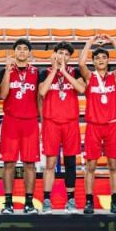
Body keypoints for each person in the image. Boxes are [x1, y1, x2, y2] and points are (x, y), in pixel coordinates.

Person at [80, 34, 116, 215]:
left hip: (111, 126)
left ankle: (115, 202)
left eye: (103, 58)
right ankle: (88, 201)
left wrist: (115, 42)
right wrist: (89, 42)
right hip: (93, 126)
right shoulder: (89, 77)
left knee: (113, 166)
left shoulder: (115, 77)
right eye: (97, 58)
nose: (100, 60)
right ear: (94, 61)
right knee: (90, 167)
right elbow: (81, 64)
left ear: (108, 61)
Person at [38, 41, 84, 214]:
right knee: (50, 162)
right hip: (51, 122)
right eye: (60, 53)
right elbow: (42, 92)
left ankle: (71, 200)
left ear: (69, 57)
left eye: (66, 54)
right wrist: (56, 70)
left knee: (70, 162)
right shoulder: (45, 73)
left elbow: (81, 89)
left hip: (70, 122)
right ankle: (47, 200)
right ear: (54, 54)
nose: (63, 56)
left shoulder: (75, 72)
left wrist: (64, 71)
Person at [0, 38, 41, 214]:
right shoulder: (5, 71)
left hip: (30, 121)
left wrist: (42, 119)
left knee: (29, 164)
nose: (22, 51)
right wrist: (8, 72)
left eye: (25, 49)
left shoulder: (37, 72)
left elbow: (40, 97)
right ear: (14, 52)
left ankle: (29, 202)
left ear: (29, 53)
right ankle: (8, 202)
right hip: (11, 121)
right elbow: (2, 94)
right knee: (9, 163)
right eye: (19, 49)